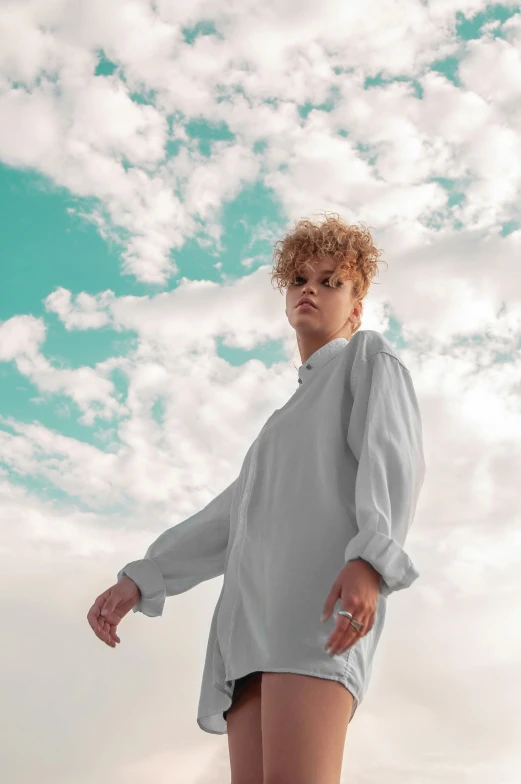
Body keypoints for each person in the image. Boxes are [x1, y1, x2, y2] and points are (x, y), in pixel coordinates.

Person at [87, 212, 426, 783]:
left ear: (357, 306)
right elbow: (228, 520)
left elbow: (394, 461)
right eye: (299, 279)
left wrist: (370, 560)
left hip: (315, 618)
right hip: (247, 638)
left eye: (330, 281)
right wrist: (143, 578)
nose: (310, 289)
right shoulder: (279, 426)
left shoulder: (368, 361)